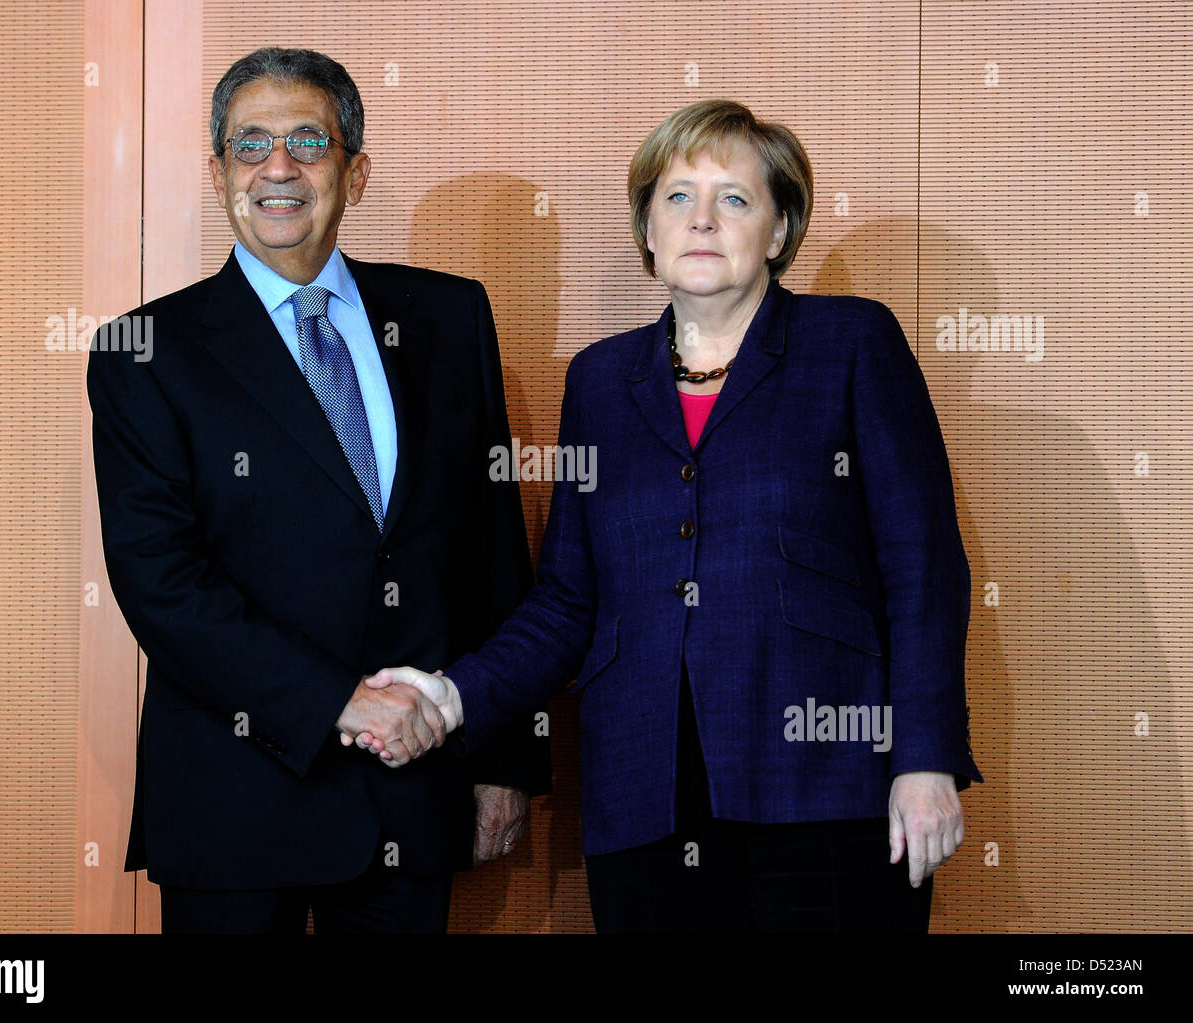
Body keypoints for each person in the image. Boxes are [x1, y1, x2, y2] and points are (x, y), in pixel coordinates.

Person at [351, 99, 983, 932]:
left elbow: (923, 566)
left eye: (735, 198)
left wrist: (926, 758)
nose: (703, 220)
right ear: (648, 229)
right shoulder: (601, 381)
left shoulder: (852, 342)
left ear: (781, 228)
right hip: (644, 793)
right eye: (678, 196)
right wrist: (449, 693)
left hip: (830, 789)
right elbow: (568, 601)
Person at [86, 46, 549, 934]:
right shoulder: (145, 351)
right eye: (250, 144)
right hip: (233, 798)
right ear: (218, 170)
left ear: (355, 169)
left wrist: (506, 759)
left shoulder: (450, 318)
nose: (279, 167)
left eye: (308, 139)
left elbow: (493, 552)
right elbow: (162, 584)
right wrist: (340, 700)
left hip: (414, 793)